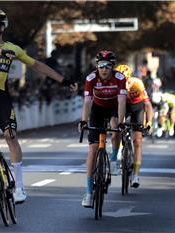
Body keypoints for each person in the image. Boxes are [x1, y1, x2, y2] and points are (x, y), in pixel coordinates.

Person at [0, 8, 78, 204]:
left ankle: (20, 187)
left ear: (2, 27)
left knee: (11, 137)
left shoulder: (14, 49)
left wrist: (63, 80)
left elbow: (37, 65)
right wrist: (2, 51)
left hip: (2, 98)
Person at [78, 50, 126, 207]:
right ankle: (88, 191)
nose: (104, 69)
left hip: (113, 107)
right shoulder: (91, 78)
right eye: (101, 66)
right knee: (92, 149)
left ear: (113, 67)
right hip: (97, 110)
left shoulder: (119, 78)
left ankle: (113, 160)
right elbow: (87, 102)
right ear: (97, 66)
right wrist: (84, 121)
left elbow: (121, 101)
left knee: (115, 128)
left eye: (107, 66)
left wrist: (121, 122)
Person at [115, 64, 153, 188]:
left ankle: (136, 174)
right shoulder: (114, 84)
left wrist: (149, 122)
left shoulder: (137, 84)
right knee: (118, 128)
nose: (122, 82)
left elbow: (147, 105)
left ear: (129, 78)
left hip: (137, 107)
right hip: (123, 107)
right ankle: (120, 150)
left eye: (124, 80)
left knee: (138, 141)